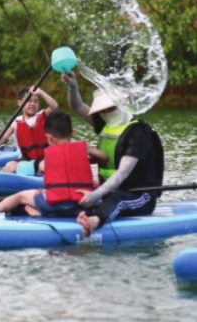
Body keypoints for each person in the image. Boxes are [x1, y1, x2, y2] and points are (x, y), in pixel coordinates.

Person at [61, 72, 165, 238]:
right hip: (108, 191)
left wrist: (95, 195)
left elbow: (122, 173)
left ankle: (94, 221)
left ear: (121, 103)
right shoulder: (104, 123)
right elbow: (78, 106)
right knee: (76, 195)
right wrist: (72, 87)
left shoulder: (138, 132)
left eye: (112, 107)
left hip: (140, 194)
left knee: (118, 198)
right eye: (103, 109)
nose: (108, 111)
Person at [0, 111, 107, 216]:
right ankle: (43, 213)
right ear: (72, 133)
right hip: (83, 201)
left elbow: (45, 174)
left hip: (55, 203)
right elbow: (103, 157)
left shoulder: (48, 156)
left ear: (49, 138)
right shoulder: (83, 147)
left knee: (21, 196)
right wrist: (85, 158)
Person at [0, 86, 59, 173]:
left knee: (43, 165)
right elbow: (3, 138)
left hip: (44, 158)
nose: (33, 104)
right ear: (20, 103)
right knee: (9, 167)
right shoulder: (15, 122)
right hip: (26, 160)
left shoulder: (43, 115)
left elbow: (54, 106)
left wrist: (41, 92)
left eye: (36, 101)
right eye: (29, 101)